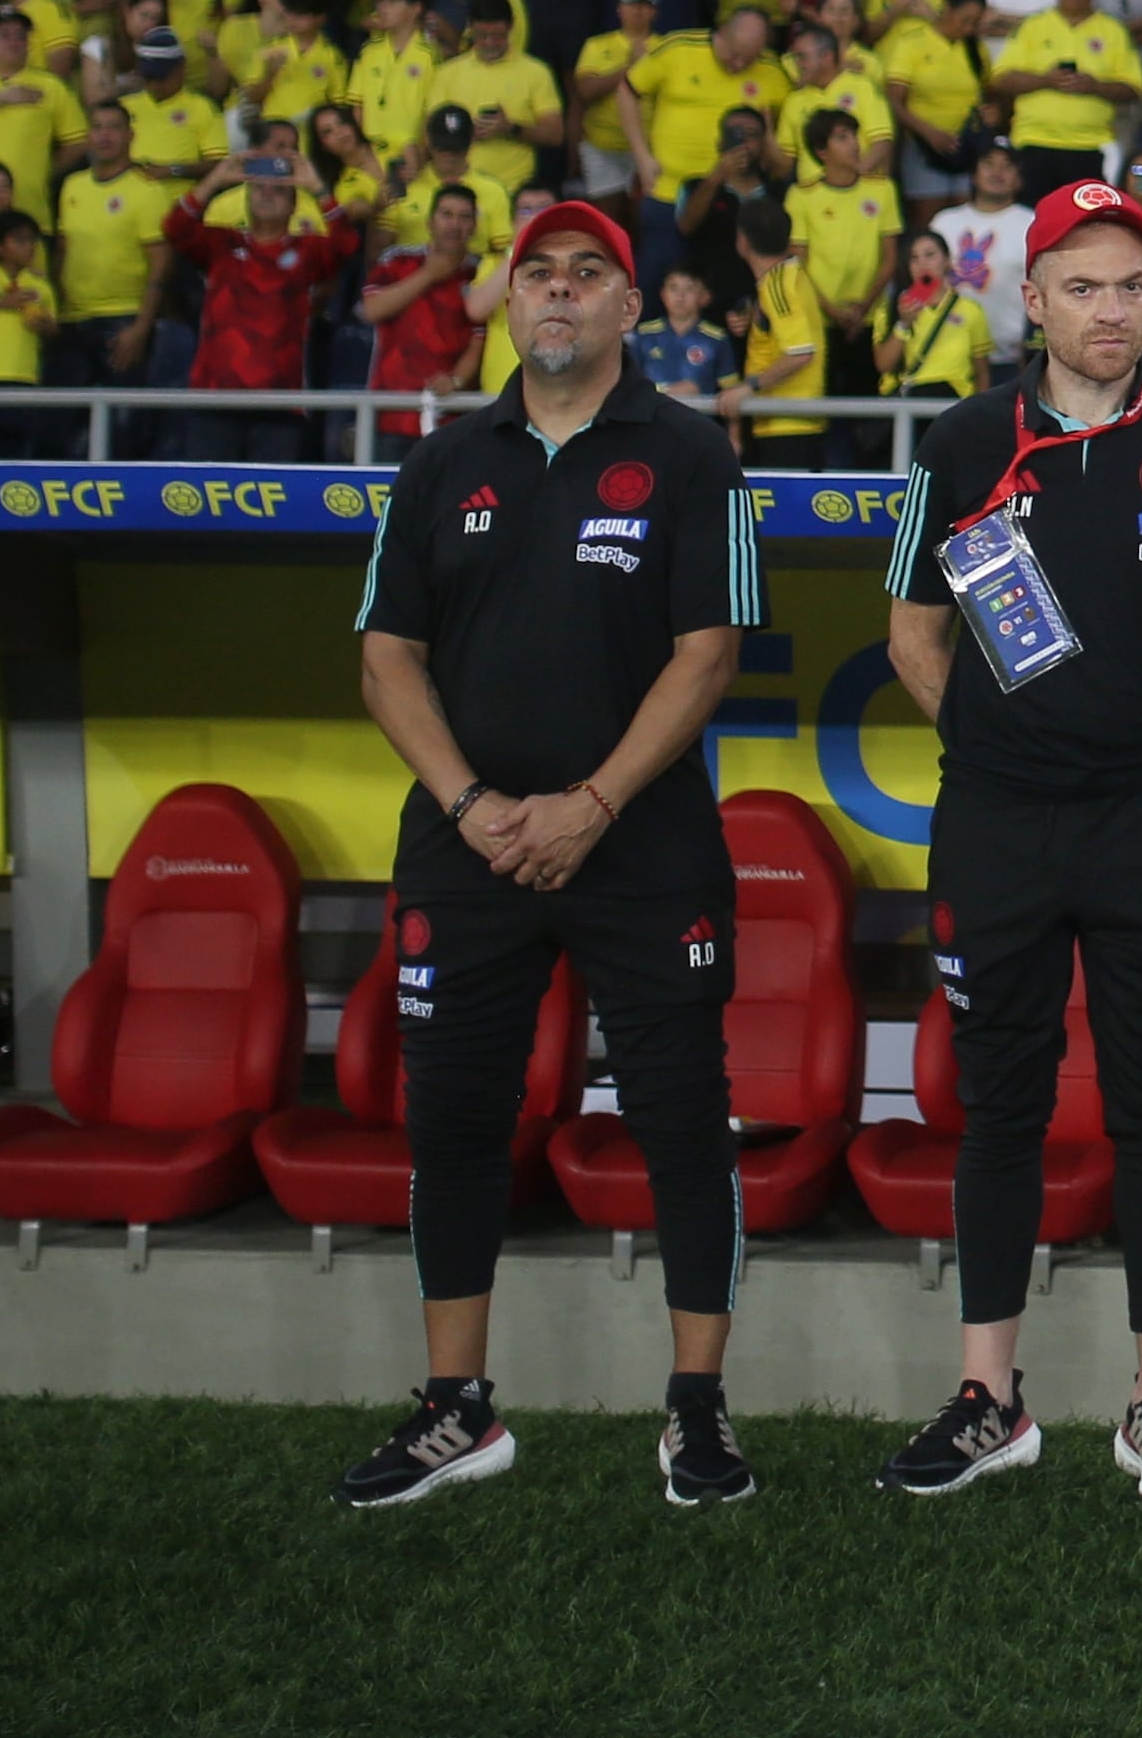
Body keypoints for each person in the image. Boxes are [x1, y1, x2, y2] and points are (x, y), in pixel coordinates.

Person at [332, 200, 761, 1511]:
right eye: (539, 275)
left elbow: (711, 651)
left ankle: (697, 1413)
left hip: (644, 847)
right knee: (456, 1122)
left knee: (683, 1122)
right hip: (467, 849)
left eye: (590, 273)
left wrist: (591, 802)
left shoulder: (696, 458)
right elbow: (385, 655)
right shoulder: (438, 463)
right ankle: (457, 1410)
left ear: (633, 307)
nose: (560, 293)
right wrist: (469, 802)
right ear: (507, 307)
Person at [869, 175, 1142, 1503]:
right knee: (1004, 1103)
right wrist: (1005, 741)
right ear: (1028, 300)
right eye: (1081, 285)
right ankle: (991, 1393)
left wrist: (1136, 752)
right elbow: (914, 634)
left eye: (1130, 285)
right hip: (997, 821)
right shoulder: (959, 442)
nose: (1110, 308)